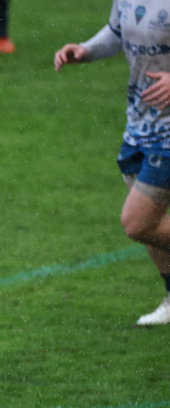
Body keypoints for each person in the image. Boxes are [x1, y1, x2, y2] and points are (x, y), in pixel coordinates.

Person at [55, 3, 170, 325]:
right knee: (150, 227)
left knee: (138, 223)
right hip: (140, 125)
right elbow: (118, 32)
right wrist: (86, 50)